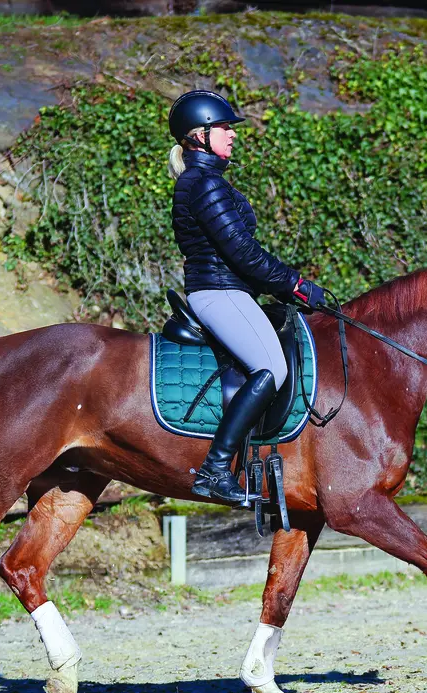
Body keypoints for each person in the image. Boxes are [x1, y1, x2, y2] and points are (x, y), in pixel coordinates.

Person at [167, 89, 327, 504]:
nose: (231, 134)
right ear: (198, 135)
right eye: (222, 128)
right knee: (271, 365)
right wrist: (295, 284)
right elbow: (242, 252)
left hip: (227, 290)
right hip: (218, 292)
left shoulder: (207, 181)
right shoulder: (203, 185)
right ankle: (215, 469)